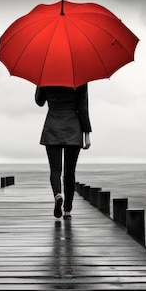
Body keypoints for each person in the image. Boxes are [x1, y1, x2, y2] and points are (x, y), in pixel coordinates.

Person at [35, 84, 91, 219]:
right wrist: (87, 134)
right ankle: (67, 210)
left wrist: (39, 85)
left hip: (52, 126)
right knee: (69, 171)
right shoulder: (80, 77)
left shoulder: (46, 76)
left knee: (55, 170)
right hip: (73, 127)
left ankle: (57, 194)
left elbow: (39, 102)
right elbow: (83, 108)